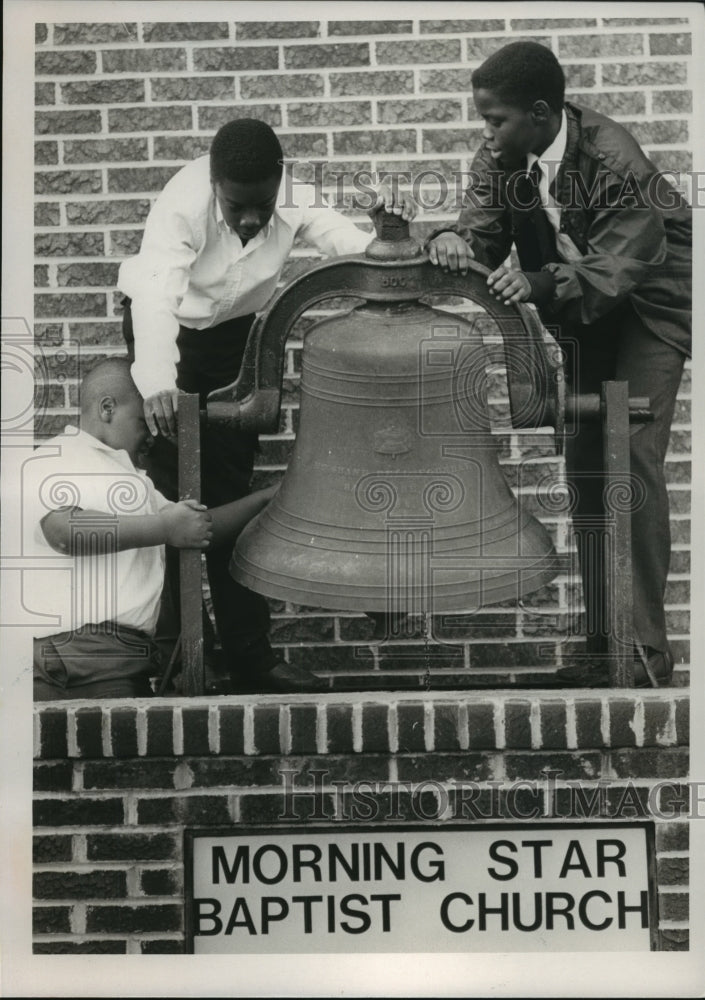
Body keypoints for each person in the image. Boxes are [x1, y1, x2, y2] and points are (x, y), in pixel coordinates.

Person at [118, 117, 416, 694]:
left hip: (231, 342)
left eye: (262, 205)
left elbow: (351, 250)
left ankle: (252, 660)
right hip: (165, 338)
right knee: (166, 498)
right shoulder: (180, 206)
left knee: (229, 500)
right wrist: (157, 384)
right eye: (236, 208)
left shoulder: (297, 197)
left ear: (280, 182)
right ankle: (182, 656)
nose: (251, 219)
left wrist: (390, 237)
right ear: (213, 186)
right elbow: (154, 300)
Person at [426, 41, 691, 687]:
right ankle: (601, 645)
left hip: (647, 311)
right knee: (587, 471)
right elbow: (482, 231)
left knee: (628, 460)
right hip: (582, 315)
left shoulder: (612, 156)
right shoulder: (502, 156)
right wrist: (451, 238)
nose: (486, 134)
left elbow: (620, 264)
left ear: (541, 113)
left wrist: (543, 283)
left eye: (495, 120)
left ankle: (645, 653)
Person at [29, 358, 275, 701]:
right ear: (107, 408)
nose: (152, 436)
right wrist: (164, 527)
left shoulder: (137, 483)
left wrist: (268, 500)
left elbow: (197, 528)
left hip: (118, 658)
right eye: (144, 422)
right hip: (57, 652)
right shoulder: (56, 457)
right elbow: (63, 531)